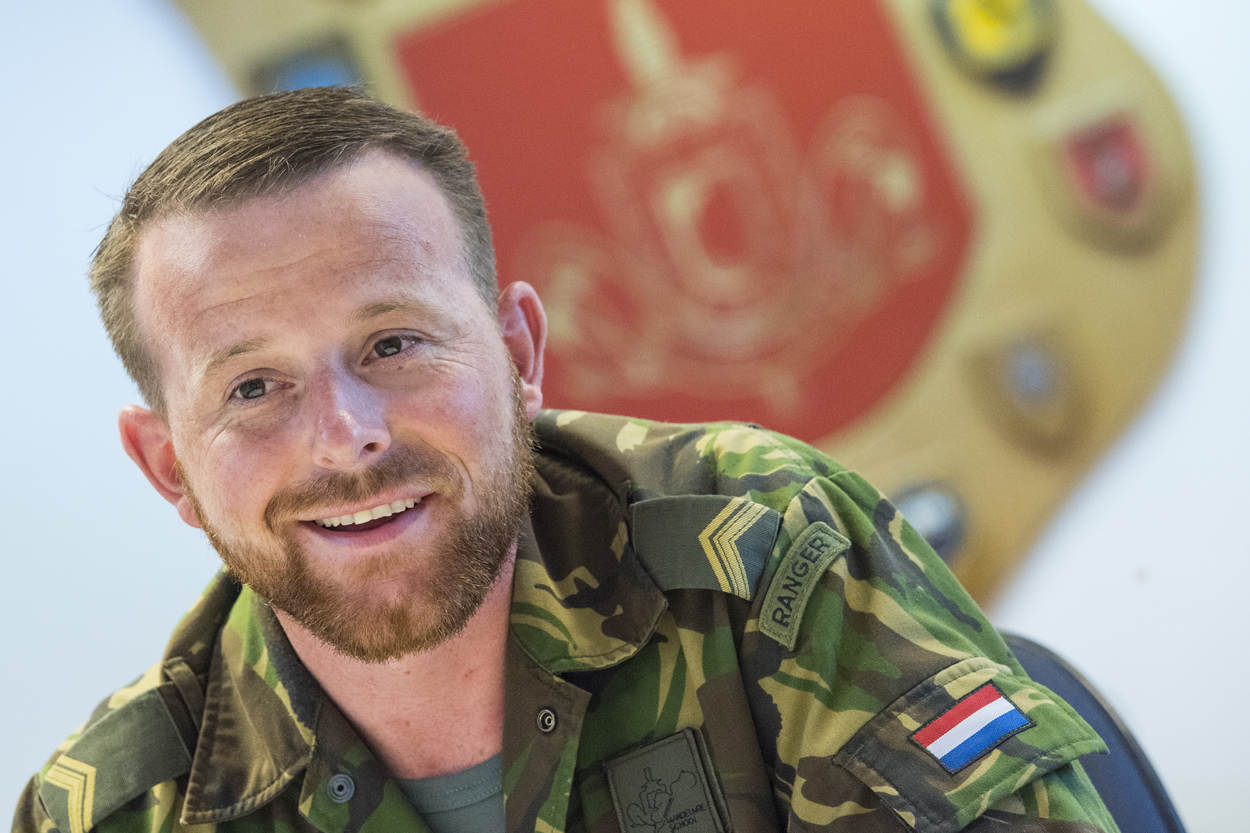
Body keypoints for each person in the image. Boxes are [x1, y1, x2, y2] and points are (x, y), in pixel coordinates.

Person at [13, 87, 1118, 833]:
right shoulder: (116, 808)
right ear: (168, 466)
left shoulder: (764, 552)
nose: (347, 435)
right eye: (253, 388)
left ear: (518, 355)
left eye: (394, 343)